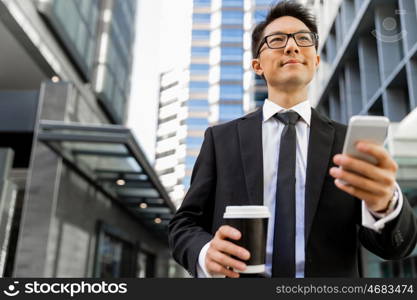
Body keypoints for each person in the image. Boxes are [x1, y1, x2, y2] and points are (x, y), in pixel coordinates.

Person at [168, 0, 417, 278]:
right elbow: (184, 224)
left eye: (303, 39)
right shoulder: (220, 139)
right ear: (257, 65)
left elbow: (395, 248)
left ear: (316, 60)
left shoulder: (348, 142)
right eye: (276, 40)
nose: (292, 46)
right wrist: (205, 252)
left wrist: (385, 205)